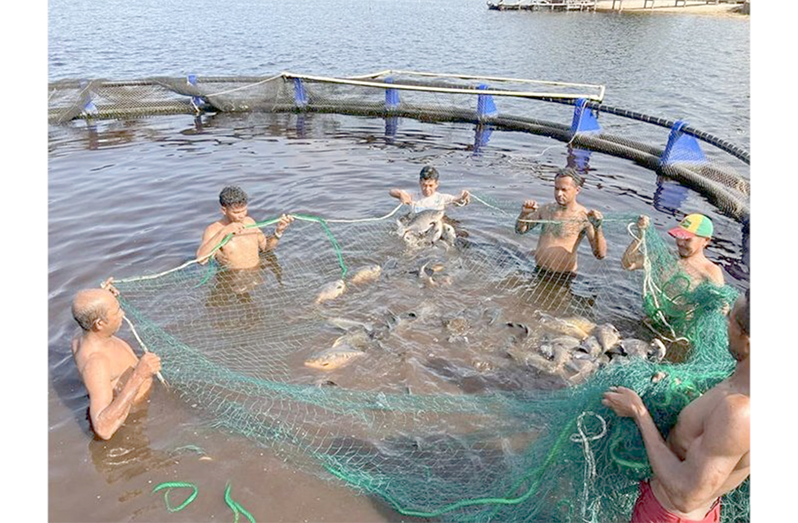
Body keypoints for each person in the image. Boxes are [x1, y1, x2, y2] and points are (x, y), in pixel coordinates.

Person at [602, 289, 750, 522]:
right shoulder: (739, 382)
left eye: (730, 318)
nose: (724, 324)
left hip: (669, 516)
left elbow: (686, 496)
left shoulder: (739, 411)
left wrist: (639, 413)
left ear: (747, 340)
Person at [71, 287, 162, 441]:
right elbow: (103, 429)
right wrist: (139, 376)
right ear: (99, 324)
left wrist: (103, 298)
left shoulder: (81, 335)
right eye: (117, 311)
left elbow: (85, 313)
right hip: (134, 415)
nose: (123, 314)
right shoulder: (96, 363)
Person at [514, 167, 606, 276]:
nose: (558, 194)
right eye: (556, 189)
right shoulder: (546, 209)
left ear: (577, 190)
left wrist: (598, 227)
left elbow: (600, 255)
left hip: (563, 277)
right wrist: (524, 214)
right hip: (539, 270)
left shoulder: (584, 217)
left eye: (564, 190)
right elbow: (520, 230)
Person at [197, 185, 294, 270]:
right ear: (224, 210)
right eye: (236, 212)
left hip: (257, 277)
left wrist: (278, 232)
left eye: (244, 210)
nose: (241, 215)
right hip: (233, 281)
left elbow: (266, 248)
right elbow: (201, 260)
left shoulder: (249, 222)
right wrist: (223, 232)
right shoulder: (214, 230)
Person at [622, 213, 724, 289]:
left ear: (706, 241)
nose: (680, 243)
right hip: (651, 317)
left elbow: (722, 308)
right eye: (679, 236)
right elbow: (628, 264)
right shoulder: (664, 257)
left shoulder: (710, 271)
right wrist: (640, 235)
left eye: (687, 239)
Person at [389, 166, 470, 213]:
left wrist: (463, 197)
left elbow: (457, 200)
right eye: (424, 185)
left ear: (436, 184)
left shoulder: (442, 198)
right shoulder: (413, 196)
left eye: (430, 185)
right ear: (420, 183)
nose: (427, 189)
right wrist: (400, 194)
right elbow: (391, 192)